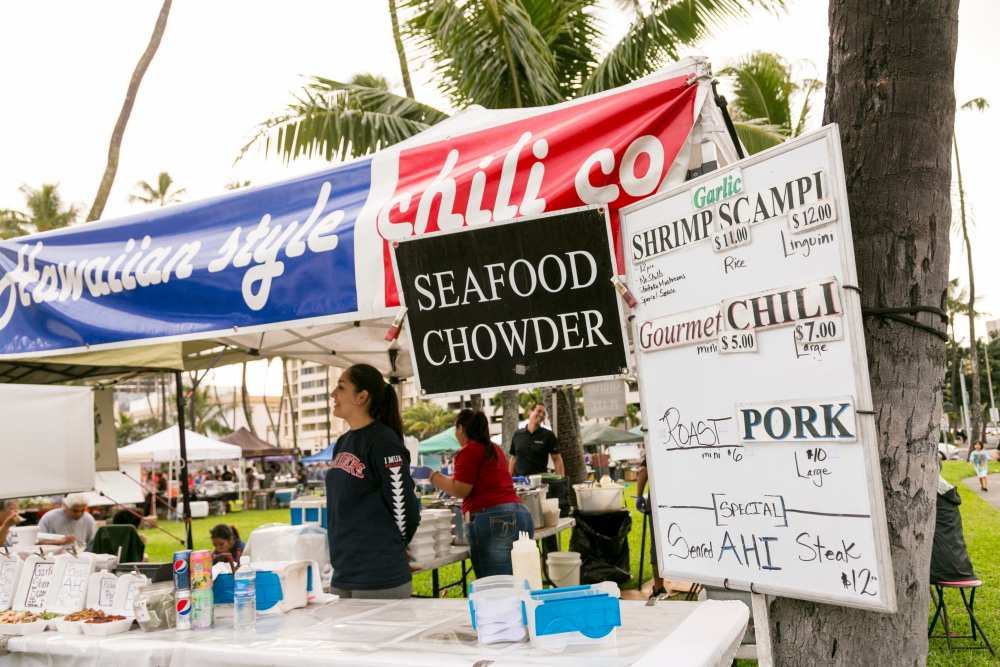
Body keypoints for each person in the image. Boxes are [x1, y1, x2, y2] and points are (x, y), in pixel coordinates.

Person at [326, 363, 420, 599]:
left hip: (378, 576)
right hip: (344, 573)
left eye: (340, 387)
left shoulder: (383, 442)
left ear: (361, 396)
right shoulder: (343, 442)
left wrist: (393, 549)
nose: (333, 394)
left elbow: (404, 507)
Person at [417, 409, 533, 578]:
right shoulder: (494, 449)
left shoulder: (469, 449)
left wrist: (431, 475)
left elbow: (461, 489)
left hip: (494, 517)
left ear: (461, 429)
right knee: (521, 579)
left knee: (496, 585)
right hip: (521, 514)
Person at [636, 459, 666, 599]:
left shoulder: (653, 443)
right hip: (685, 501)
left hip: (658, 504)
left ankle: (659, 587)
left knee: (658, 546)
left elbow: (643, 470)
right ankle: (704, 585)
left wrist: (639, 495)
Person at [509, 403, 564, 478]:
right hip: (520, 481)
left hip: (540, 481)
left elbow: (557, 459)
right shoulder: (517, 434)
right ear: (529, 412)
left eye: (544, 414)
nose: (541, 415)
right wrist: (508, 479)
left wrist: (561, 481)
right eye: (539, 411)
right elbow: (513, 458)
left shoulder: (548, 435)